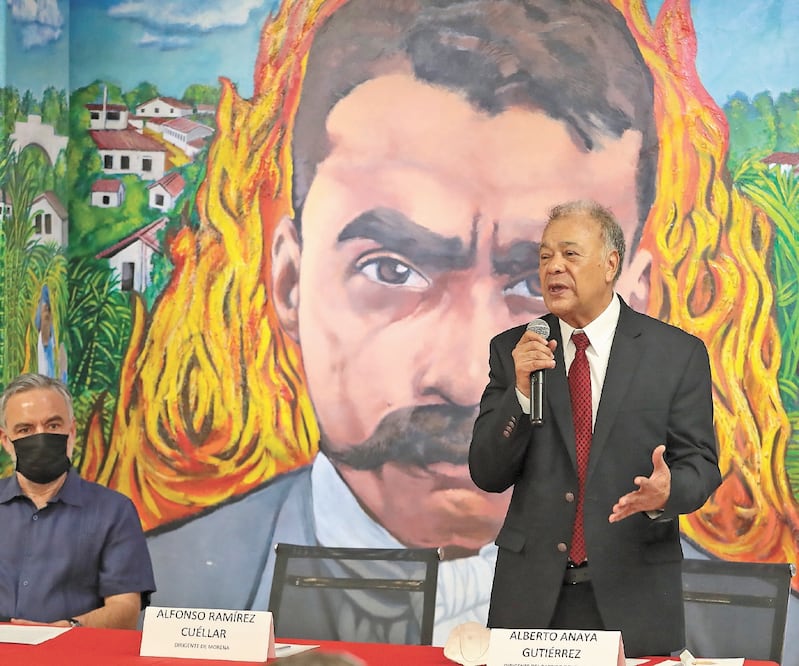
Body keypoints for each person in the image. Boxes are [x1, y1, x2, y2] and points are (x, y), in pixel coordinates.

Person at [145, 0, 663, 645]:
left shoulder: (761, 637)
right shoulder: (161, 588)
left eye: (541, 286)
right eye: (391, 270)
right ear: (290, 283)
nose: (470, 377)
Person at [469, 200, 722, 657]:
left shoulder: (675, 354)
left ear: (610, 264)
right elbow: (487, 472)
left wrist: (668, 491)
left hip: (634, 588)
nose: (554, 268)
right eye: (545, 257)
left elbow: (701, 466)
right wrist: (520, 394)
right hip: (529, 598)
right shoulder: (517, 349)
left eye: (570, 254)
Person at [0, 374, 156, 629]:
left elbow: (125, 610)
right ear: (6, 441)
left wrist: (66, 629)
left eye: (52, 425)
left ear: (71, 432)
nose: (40, 438)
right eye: (25, 429)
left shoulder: (114, 511)